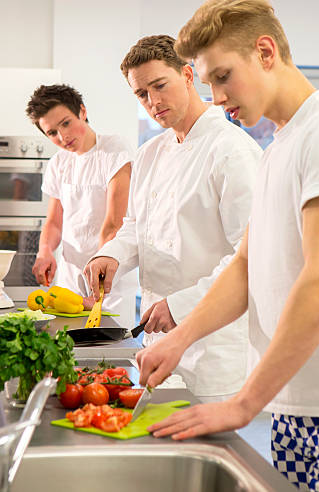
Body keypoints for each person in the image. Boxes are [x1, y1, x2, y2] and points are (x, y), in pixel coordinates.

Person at [135, 0, 319, 491]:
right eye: (209, 82)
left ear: (265, 53)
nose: (218, 96)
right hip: (294, 402)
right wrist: (179, 339)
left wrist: (244, 402)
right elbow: (247, 264)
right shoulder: (276, 147)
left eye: (222, 77)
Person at [84, 35, 262, 398]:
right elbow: (137, 227)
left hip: (212, 347)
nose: (153, 101)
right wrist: (112, 253)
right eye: (142, 94)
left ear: (187, 74)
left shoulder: (233, 152)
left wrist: (180, 306)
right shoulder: (150, 153)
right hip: (156, 339)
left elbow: (250, 256)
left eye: (159, 85)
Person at [26, 84, 138, 329]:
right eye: (52, 132)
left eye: (66, 123)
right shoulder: (58, 163)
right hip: (69, 280)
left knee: (107, 357)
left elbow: (114, 224)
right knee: (68, 356)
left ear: (82, 111)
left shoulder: (115, 150)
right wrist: (44, 251)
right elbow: (55, 222)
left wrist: (97, 278)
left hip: (109, 279)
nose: (62, 137)